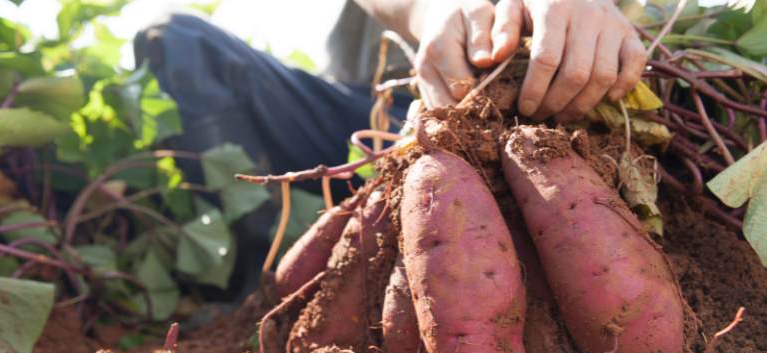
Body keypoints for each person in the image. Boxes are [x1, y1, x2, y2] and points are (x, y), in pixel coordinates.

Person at [134, 0, 645, 298]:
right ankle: (255, 288)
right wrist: (430, 11)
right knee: (177, 40)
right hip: (389, 121)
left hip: (572, 127)